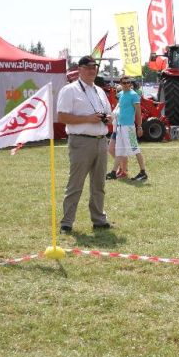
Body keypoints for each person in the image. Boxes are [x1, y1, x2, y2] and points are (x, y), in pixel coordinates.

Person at [56, 56, 114, 233]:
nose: (92, 70)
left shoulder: (100, 91)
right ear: (79, 69)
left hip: (100, 141)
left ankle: (98, 219)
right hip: (81, 142)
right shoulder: (69, 90)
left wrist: (108, 118)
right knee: (75, 183)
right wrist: (87, 119)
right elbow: (62, 117)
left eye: (95, 67)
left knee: (99, 184)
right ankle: (67, 222)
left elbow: (109, 115)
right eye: (88, 67)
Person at [107, 76, 148, 182]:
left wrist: (139, 126)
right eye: (124, 83)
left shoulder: (134, 95)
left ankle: (143, 172)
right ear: (120, 83)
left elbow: (138, 113)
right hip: (120, 127)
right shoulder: (120, 95)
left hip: (129, 127)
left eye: (128, 82)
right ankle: (113, 172)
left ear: (130, 83)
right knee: (119, 150)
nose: (126, 84)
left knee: (135, 149)